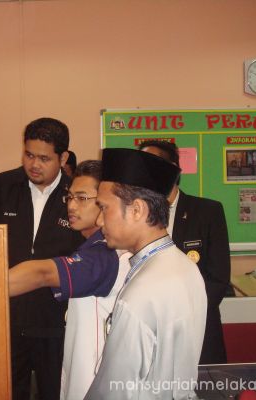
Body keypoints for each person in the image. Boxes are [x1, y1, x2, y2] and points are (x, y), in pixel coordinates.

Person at [0, 117, 85, 400]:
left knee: (54, 392)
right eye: (29, 155)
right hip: (5, 320)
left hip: (56, 322)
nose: (34, 164)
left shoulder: (76, 196)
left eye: (44, 158)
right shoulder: (1, 187)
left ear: (63, 158)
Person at [84, 148, 207, 399]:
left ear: (137, 210)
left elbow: (114, 389)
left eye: (104, 208)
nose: (99, 221)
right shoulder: (184, 265)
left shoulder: (141, 293)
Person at [8, 160, 131, 400]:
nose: (71, 206)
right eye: (70, 197)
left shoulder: (104, 254)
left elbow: (42, 273)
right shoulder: (91, 246)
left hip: (95, 384)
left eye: (82, 198)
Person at [139, 139, 231, 364]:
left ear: (173, 170)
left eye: (152, 165)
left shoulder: (207, 212)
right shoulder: (135, 214)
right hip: (148, 330)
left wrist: (177, 315)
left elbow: (218, 280)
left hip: (196, 328)